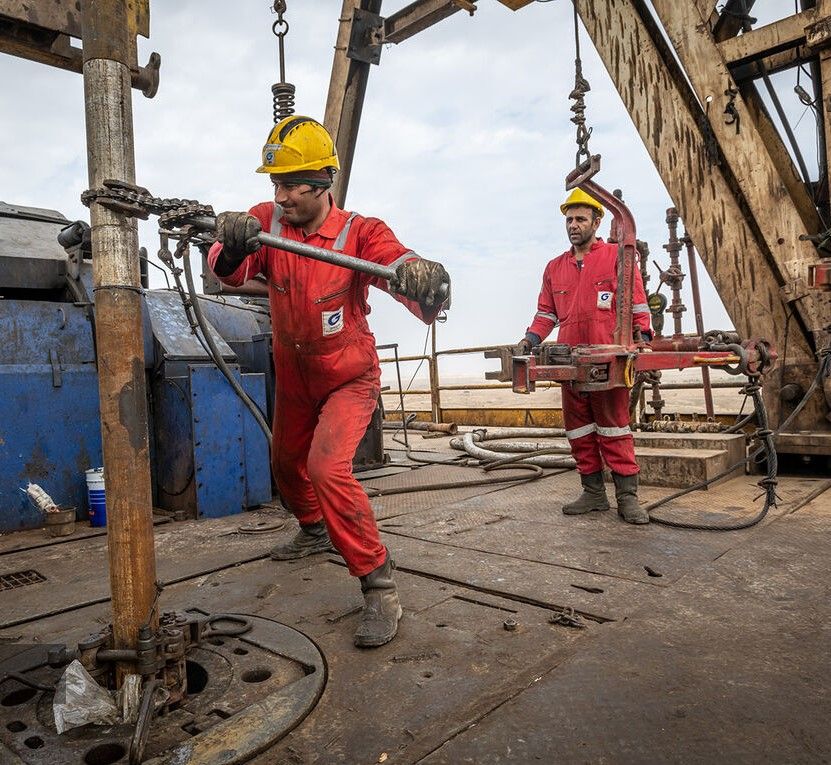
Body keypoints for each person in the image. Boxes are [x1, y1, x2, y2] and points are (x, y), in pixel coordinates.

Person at [208, 115, 450, 647]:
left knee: (325, 466)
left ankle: (379, 584)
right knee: (285, 464)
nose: (282, 195)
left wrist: (421, 275)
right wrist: (231, 244)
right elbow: (225, 271)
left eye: (292, 184)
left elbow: (398, 263)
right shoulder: (266, 223)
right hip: (295, 375)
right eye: (276, 183)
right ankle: (315, 531)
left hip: (348, 376)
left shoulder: (357, 232)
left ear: (322, 185)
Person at [517, 188, 652, 524]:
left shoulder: (617, 257)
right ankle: (593, 492)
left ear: (597, 220)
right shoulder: (554, 267)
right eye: (568, 219)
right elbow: (546, 313)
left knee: (614, 427)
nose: (573, 225)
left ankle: (628, 497)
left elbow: (636, 302)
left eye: (580, 218)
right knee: (578, 428)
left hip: (607, 358)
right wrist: (530, 339)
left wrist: (642, 336)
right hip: (569, 361)